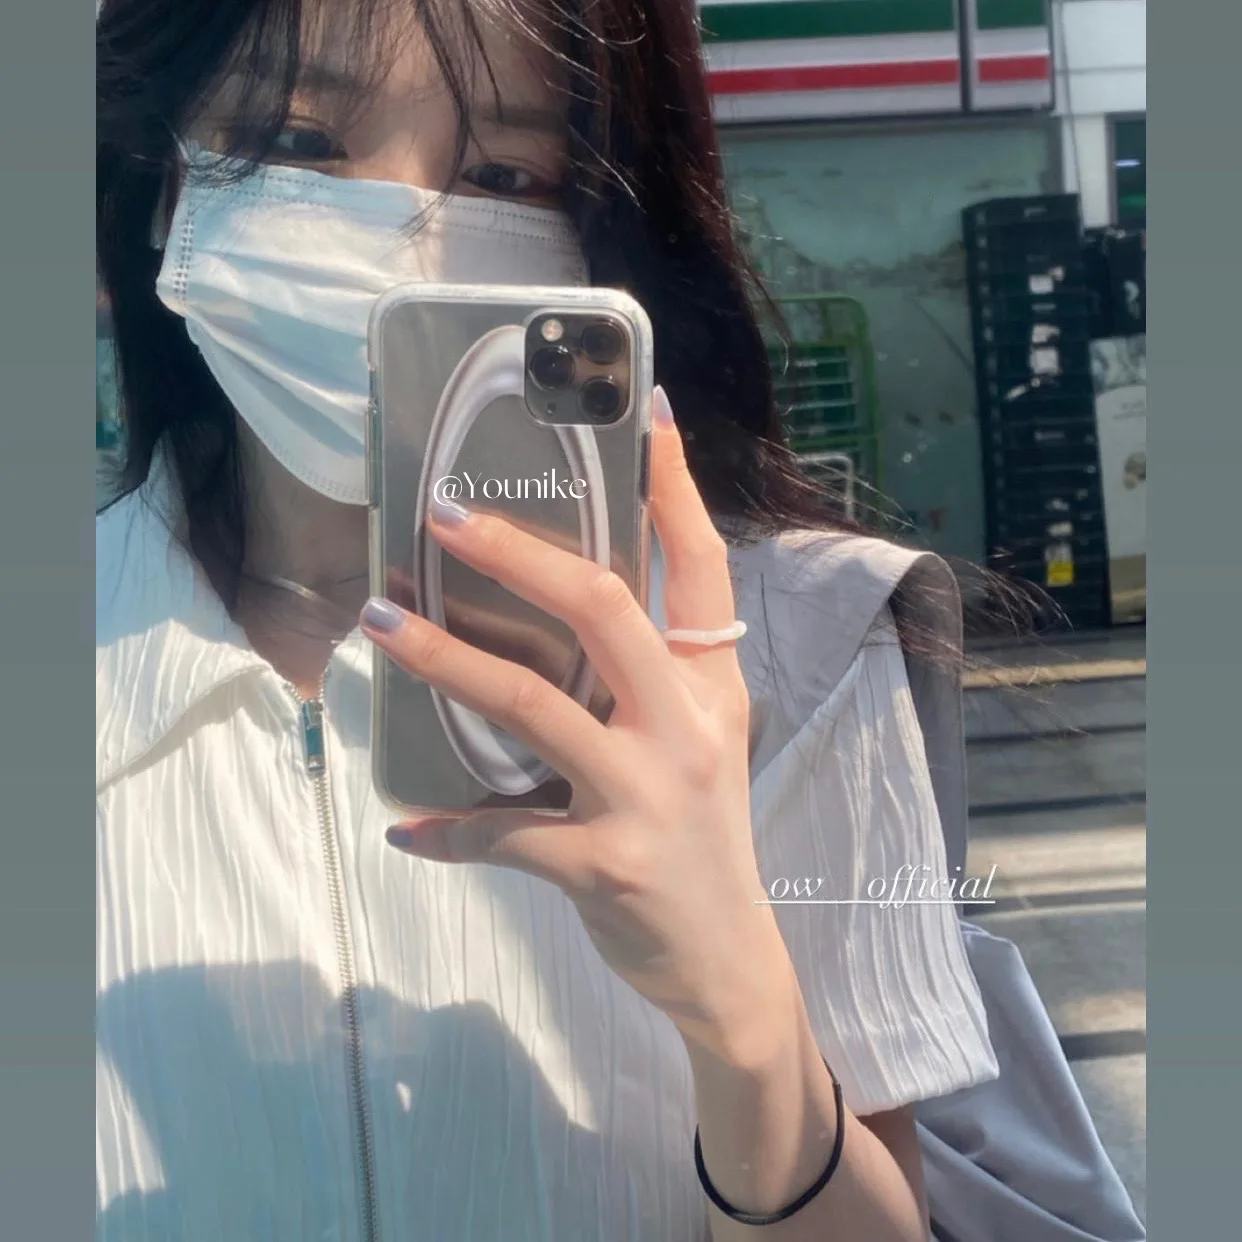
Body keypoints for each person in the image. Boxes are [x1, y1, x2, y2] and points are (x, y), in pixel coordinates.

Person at [95, 1, 998, 1238]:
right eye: (297, 142)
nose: (401, 239)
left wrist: (744, 1025)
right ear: (161, 182)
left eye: (506, 175)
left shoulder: (803, 644)